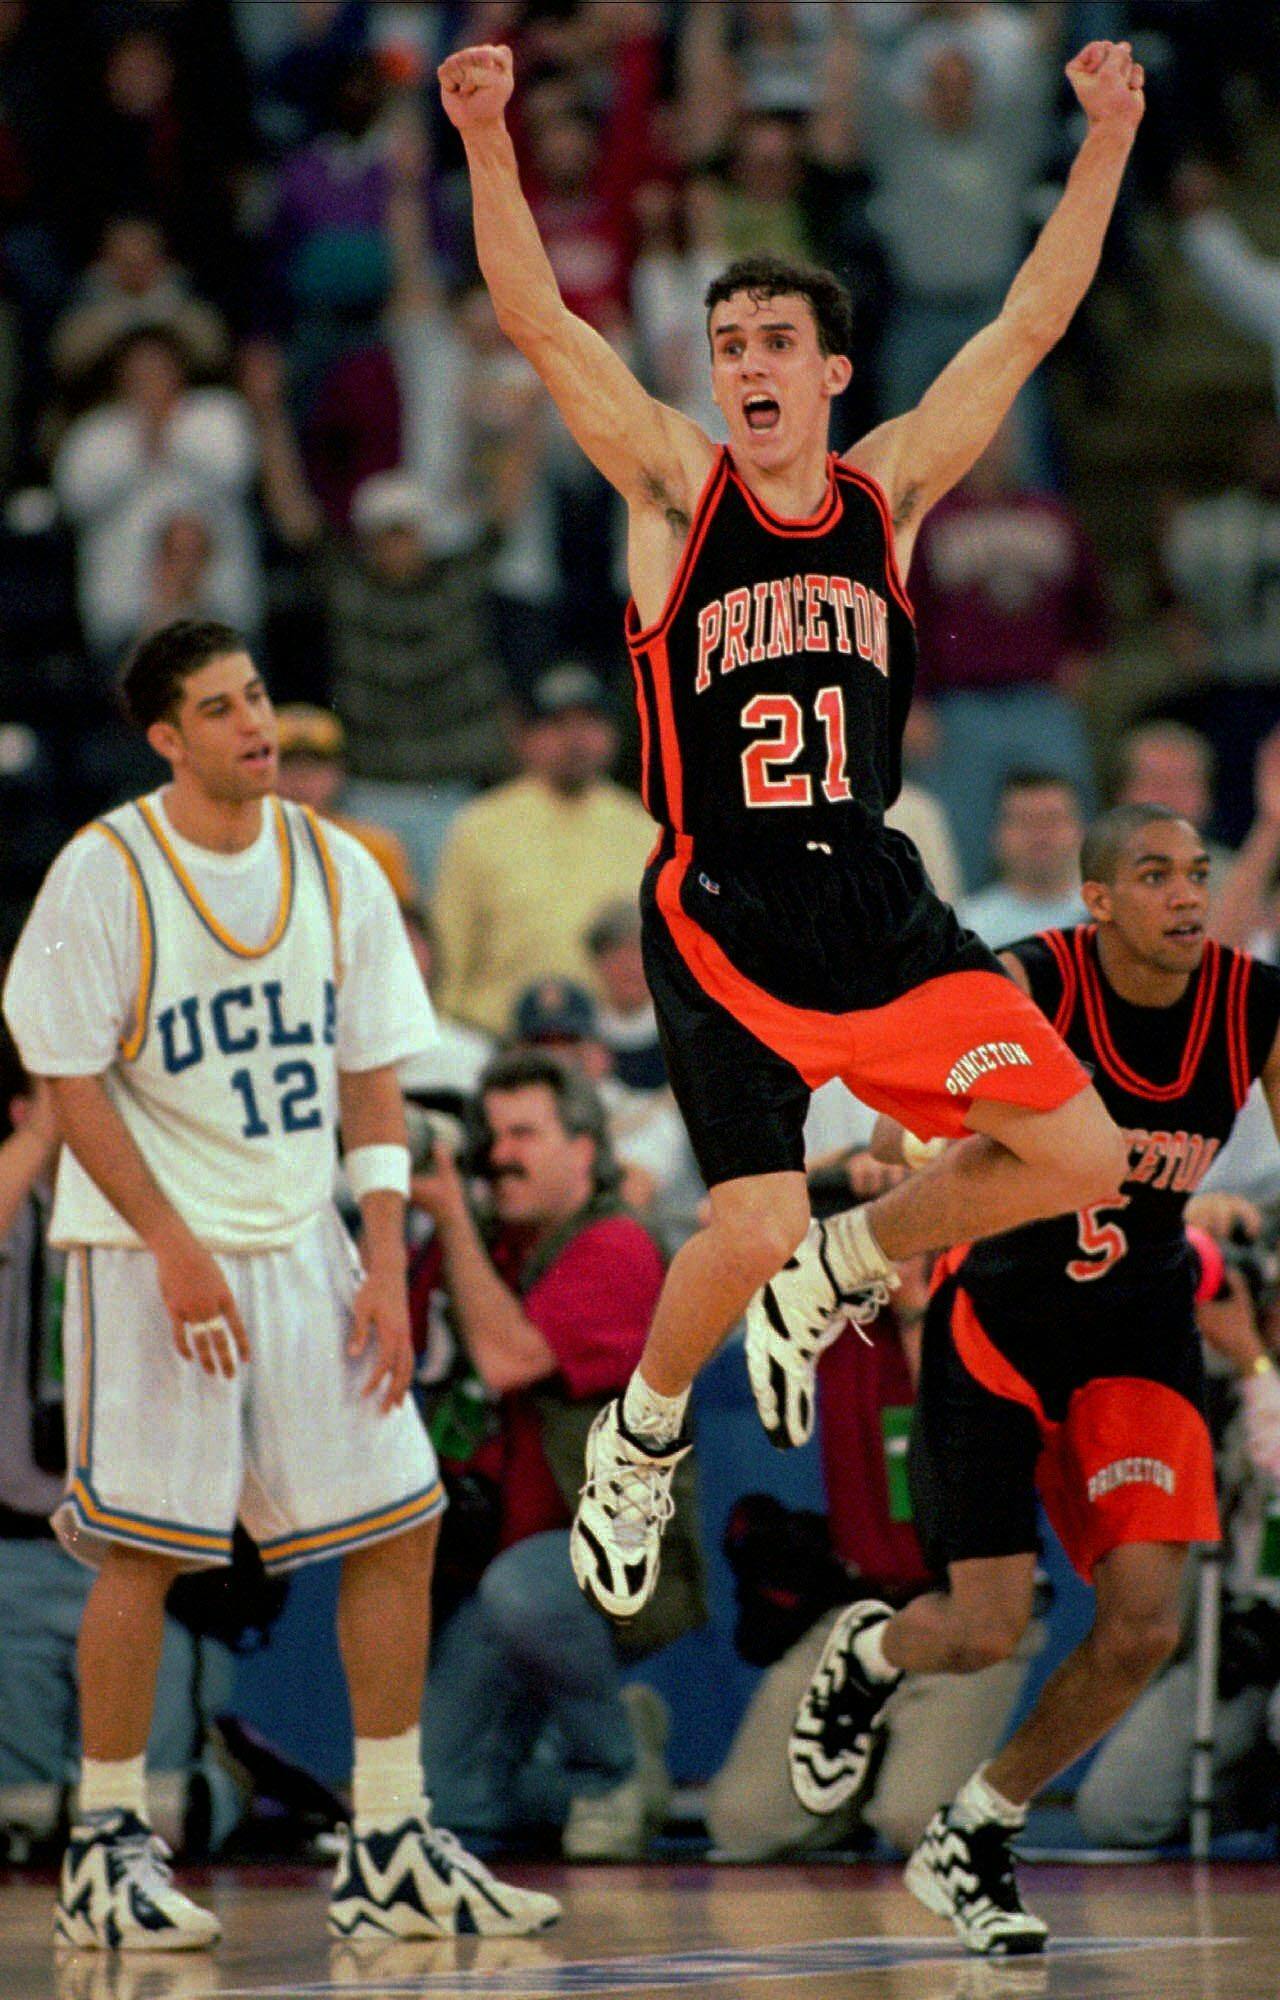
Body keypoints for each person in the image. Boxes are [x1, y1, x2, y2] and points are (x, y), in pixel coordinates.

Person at [438, 36, 1141, 1619]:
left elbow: (1030, 320)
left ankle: (848, 1261)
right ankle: (642, 1435)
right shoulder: (678, 493)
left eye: (775, 339)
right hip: (723, 904)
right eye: (726, 338)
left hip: (875, 903)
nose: (744, 360)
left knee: (1080, 1149)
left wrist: (1102, 138)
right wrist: (487, 139)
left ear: (832, 371)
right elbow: (541, 319)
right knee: (747, 1221)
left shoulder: (891, 487)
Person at [2, 619, 558, 1950]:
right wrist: (171, 1244)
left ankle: (385, 1836)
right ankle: (105, 1845)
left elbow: (375, 1073)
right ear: (166, 739)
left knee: (402, 1519)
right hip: (151, 1252)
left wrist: (380, 1257)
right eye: (223, 707)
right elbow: (69, 1083)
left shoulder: (339, 865)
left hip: (307, 1238)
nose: (256, 723)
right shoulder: (104, 870)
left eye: (257, 694)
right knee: (142, 1550)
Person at [786, 803, 1280, 1954]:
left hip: (1138, 1331)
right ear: (1095, 900)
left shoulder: (1250, 1003)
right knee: (978, 1627)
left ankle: (977, 1825)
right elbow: (886, 1116)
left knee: (1141, 1626)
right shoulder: (1027, 980)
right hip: (999, 1320)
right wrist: (913, 1149)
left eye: (1196, 873)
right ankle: (868, 1651)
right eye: (1152, 874)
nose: (1183, 894)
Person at [410, 1049, 703, 1859]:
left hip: (612, 1558)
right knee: (453, 1801)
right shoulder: (483, 1242)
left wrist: (456, 1223)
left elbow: (511, 1360)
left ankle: (607, 1772)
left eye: (524, 1133)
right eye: (490, 1133)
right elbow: (386, 1350)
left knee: (521, 1591)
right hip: (497, 1564)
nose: (498, 1153)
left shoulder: (617, 1243)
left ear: (584, 1147)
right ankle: (618, 1745)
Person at [431, 664, 654, 1037]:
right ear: (525, 736)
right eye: (557, 725)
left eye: (589, 724)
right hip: (498, 1038)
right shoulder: (478, 826)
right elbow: (448, 952)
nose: (575, 740)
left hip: (611, 1045)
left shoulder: (644, 827)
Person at [957, 771, 1087, 949]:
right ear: (996, 835)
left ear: (1081, 831)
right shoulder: (966, 927)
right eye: (1024, 821)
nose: (1040, 834)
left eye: (1052, 819)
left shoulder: (1112, 918)